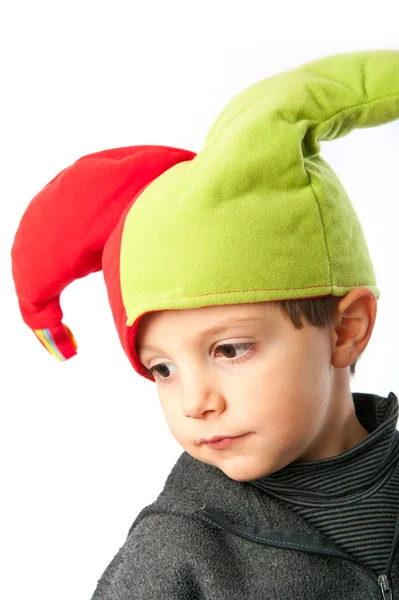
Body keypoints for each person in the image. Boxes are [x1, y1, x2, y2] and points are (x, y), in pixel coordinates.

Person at [10, 49, 399, 599]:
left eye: (230, 350)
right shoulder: (176, 554)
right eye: (162, 368)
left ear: (345, 330)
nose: (195, 402)